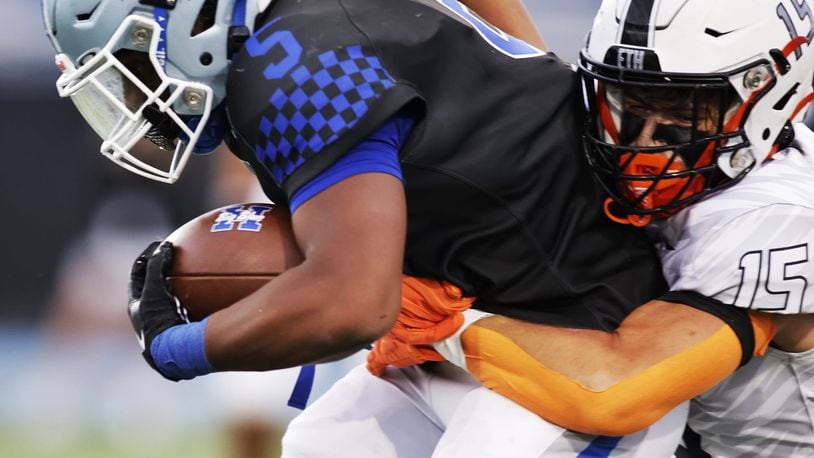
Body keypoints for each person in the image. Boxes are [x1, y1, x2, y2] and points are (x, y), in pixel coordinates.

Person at [41, 0, 774, 456]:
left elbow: (354, 303)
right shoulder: (296, 37)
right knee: (322, 446)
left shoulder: (290, 68)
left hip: (576, 340)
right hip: (490, 314)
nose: (132, 88)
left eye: (135, 57)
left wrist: (178, 348)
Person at [367, 0, 814, 456]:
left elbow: (613, 392)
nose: (640, 146)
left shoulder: (774, 218)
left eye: (682, 119)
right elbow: (532, 76)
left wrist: (444, 325)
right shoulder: (673, 166)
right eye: (631, 106)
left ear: (771, 100)